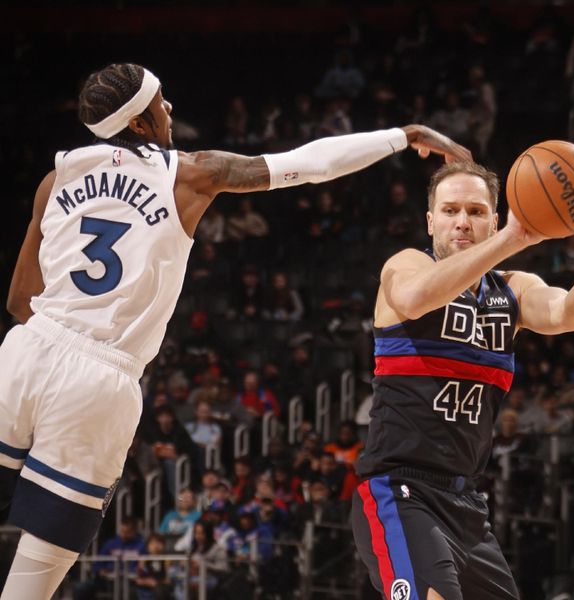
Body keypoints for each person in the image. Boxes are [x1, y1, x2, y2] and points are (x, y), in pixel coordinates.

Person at [0, 62, 470, 600]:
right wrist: (402, 135)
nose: (169, 108)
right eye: (160, 101)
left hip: (26, 350)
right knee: (32, 581)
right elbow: (306, 163)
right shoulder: (192, 172)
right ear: (138, 123)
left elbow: (19, 301)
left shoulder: (55, 176)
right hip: (99, 380)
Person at [352, 161, 574, 600]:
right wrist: (511, 240)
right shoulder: (405, 265)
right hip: (400, 491)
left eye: (477, 212)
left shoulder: (513, 288)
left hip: (466, 503)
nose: (462, 221)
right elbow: (416, 298)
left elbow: (568, 313)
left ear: (494, 220)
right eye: (450, 210)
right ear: (430, 221)